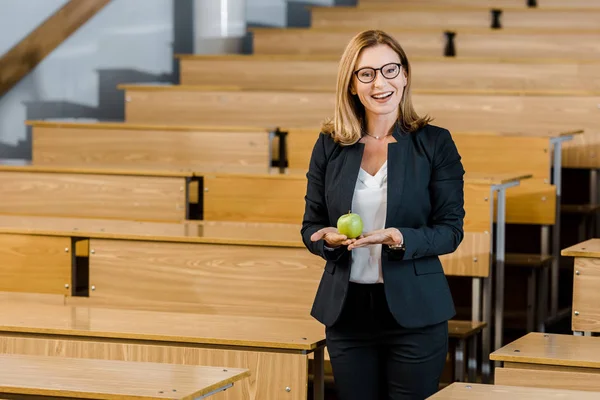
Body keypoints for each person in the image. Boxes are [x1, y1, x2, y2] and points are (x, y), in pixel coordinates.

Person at [300, 29, 465, 399]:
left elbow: (450, 231)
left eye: (390, 70)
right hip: (348, 313)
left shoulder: (434, 143)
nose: (380, 83)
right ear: (352, 85)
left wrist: (400, 237)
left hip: (416, 312)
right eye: (367, 73)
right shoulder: (330, 144)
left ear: (405, 76)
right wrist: (326, 241)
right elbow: (311, 224)